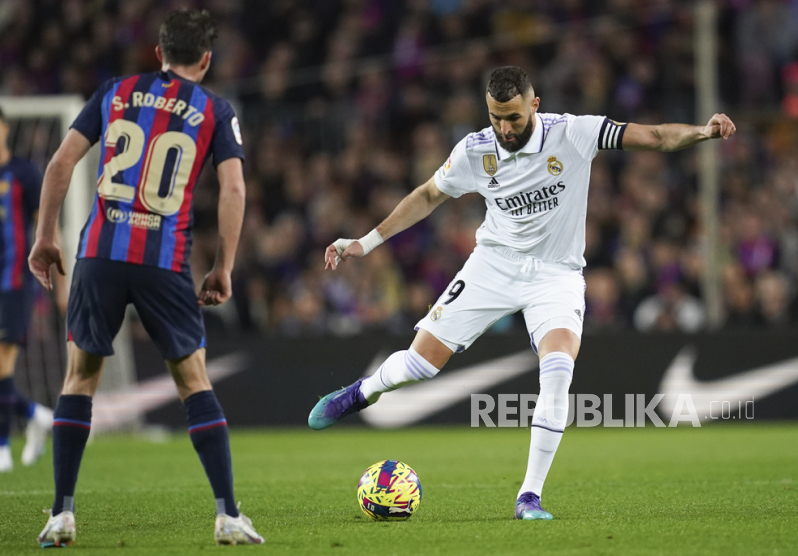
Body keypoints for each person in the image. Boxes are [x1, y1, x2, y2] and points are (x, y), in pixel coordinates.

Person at [309, 66, 736, 520]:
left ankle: (529, 497)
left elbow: (655, 137)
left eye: (512, 117)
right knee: (419, 366)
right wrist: (364, 242)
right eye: (495, 117)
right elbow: (429, 194)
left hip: (557, 275)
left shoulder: (573, 133)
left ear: (534, 105)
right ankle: (362, 392)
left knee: (557, 370)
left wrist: (703, 132)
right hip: (493, 264)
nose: (504, 128)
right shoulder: (476, 150)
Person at [28, 9, 263, 547]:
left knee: (79, 379)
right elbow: (233, 190)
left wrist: (46, 235)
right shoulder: (214, 109)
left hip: (101, 252)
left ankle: (61, 514)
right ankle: (228, 516)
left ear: (158, 53)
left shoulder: (116, 90)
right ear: (206, 58)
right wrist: (223, 264)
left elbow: (61, 163)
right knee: (193, 382)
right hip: (163, 258)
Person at [0, 107, 55, 473]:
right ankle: (35, 414)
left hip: (15, 282)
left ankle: (2, 446)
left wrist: (59, 277)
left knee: (2, 363)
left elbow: (47, 226)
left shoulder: (24, 173)